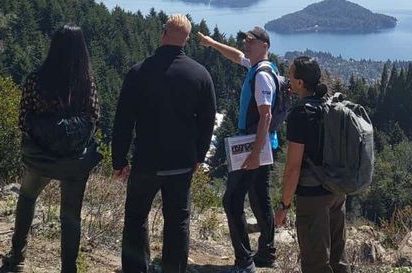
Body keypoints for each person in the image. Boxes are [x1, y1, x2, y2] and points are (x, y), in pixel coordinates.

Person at [112, 14, 217, 273]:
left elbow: (123, 119)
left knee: (136, 218)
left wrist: (119, 160)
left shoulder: (138, 72)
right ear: (187, 39)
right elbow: (207, 121)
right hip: (181, 163)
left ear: (163, 34)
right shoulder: (200, 75)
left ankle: (136, 269)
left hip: (146, 161)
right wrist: (199, 157)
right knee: (178, 221)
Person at [3, 23, 102, 273]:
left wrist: (44, 137)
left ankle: (17, 257)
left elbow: (23, 118)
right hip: (74, 162)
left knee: (27, 198)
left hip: (40, 157)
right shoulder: (85, 82)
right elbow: (94, 116)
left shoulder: (36, 79)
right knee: (71, 215)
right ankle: (69, 268)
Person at [199, 27, 280, 272]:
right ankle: (266, 253)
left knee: (232, 200)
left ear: (264, 45)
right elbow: (236, 56)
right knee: (259, 198)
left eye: (251, 41)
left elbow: (265, 116)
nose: (246, 44)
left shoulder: (263, 75)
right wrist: (212, 43)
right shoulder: (260, 68)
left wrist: (255, 154)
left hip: (254, 146)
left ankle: (244, 261)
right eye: (245, 40)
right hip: (263, 145)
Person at [274, 56, 350, 273]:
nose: (288, 80)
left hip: (313, 196)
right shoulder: (330, 105)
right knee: (338, 258)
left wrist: (284, 205)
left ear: (300, 83)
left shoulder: (301, 113)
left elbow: (293, 167)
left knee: (315, 262)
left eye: (290, 76)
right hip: (337, 190)